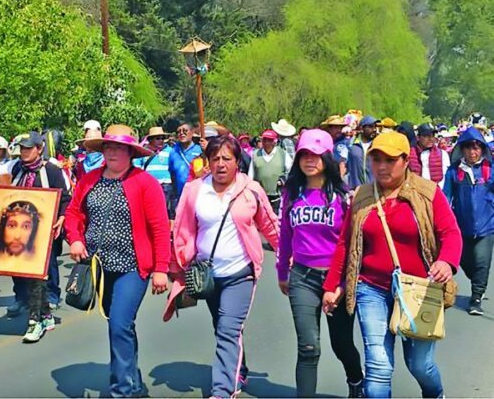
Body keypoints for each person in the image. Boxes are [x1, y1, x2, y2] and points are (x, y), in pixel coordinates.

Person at [322, 131, 462, 398]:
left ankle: (435, 394)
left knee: (420, 365)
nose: (382, 166)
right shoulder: (362, 196)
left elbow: (450, 233)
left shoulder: (427, 193)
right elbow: (345, 244)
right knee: (378, 368)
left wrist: (446, 261)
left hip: (419, 291)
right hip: (371, 289)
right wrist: (332, 286)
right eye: (376, 159)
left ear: (405, 160)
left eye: (389, 160)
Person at [164, 135, 279, 398]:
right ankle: (240, 369)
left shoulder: (251, 189)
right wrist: (175, 266)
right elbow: (181, 229)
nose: (220, 164)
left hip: (241, 274)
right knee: (223, 326)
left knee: (228, 329)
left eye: (227, 158)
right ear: (208, 162)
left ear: (237, 161)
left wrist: (286, 256)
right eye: (214, 158)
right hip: (207, 275)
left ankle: (222, 389)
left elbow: (270, 225)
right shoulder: (194, 190)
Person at [66, 124, 170, 397]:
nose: (111, 152)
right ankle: (132, 382)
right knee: (120, 324)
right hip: (99, 267)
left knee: (119, 324)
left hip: (133, 267)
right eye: (108, 147)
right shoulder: (89, 180)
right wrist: (75, 238)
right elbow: (74, 213)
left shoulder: (145, 183)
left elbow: (159, 227)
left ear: (129, 153)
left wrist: (161, 268)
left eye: (118, 148)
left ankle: (121, 391)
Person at [276, 129, 363, 397]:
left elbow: (350, 245)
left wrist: (340, 284)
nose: (309, 160)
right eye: (304, 155)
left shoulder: (344, 196)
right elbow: (286, 235)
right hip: (302, 276)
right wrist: (282, 272)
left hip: (336, 279)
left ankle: (356, 380)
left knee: (341, 343)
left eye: (315, 155)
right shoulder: (292, 193)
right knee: (308, 347)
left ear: (327, 157)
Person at [9, 132, 70, 342]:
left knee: (39, 274)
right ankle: (45, 314)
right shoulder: (16, 169)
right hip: (20, 231)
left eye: (28, 148)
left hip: (44, 231)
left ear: (39, 148)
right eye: (22, 148)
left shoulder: (52, 171)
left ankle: (35, 321)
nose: (24, 152)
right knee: (26, 274)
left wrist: (62, 217)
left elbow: (65, 197)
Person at [443, 126, 494, 315]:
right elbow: (445, 197)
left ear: (482, 149)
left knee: (482, 261)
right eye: (469, 148)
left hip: (487, 226)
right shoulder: (454, 172)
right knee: (463, 261)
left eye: (477, 148)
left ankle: (476, 298)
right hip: (461, 227)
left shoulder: (490, 170)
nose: (473, 152)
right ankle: (478, 280)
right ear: (462, 149)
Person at [249, 129, 293, 213]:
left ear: (274, 142)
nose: (266, 143)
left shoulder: (283, 154)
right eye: (264, 140)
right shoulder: (255, 155)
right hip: (260, 196)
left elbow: (291, 172)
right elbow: (250, 175)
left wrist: (284, 179)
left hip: (278, 197)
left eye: (269, 140)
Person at [133, 127, 174, 217]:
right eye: (158, 138)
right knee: (149, 209)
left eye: (163, 138)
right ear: (151, 140)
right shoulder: (143, 151)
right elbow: (137, 167)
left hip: (165, 185)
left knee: (163, 209)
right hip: (148, 185)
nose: (161, 141)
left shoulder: (170, 151)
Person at [169, 122, 203, 208]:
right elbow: (172, 174)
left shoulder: (200, 150)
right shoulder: (173, 152)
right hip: (180, 197)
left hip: (197, 195)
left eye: (185, 131)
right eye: (178, 132)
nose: (181, 133)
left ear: (192, 133)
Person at [409, 123, 450, 189]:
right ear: (418, 137)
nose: (431, 139)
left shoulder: (443, 154)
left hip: (436, 193)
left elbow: (446, 178)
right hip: (415, 192)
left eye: (432, 135)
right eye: (426, 136)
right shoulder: (409, 154)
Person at [346, 116, 378, 188]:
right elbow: (344, 165)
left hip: (374, 189)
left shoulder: (377, 145)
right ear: (361, 128)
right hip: (355, 189)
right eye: (370, 127)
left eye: (375, 127)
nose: (374, 129)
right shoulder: (350, 144)